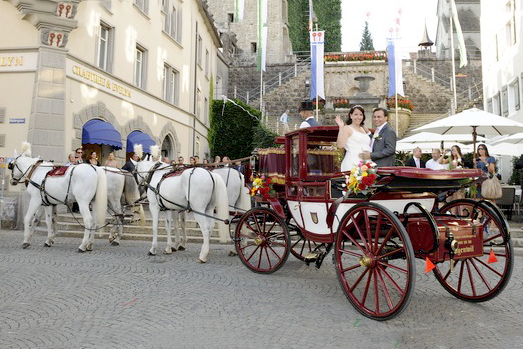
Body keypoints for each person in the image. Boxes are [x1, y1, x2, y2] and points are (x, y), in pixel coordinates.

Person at [335, 105, 371, 172]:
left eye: (361, 115)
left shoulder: (363, 128)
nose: (358, 117)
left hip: (365, 163)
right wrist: (341, 127)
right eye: (356, 114)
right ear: (351, 116)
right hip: (352, 163)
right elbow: (340, 145)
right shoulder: (347, 128)